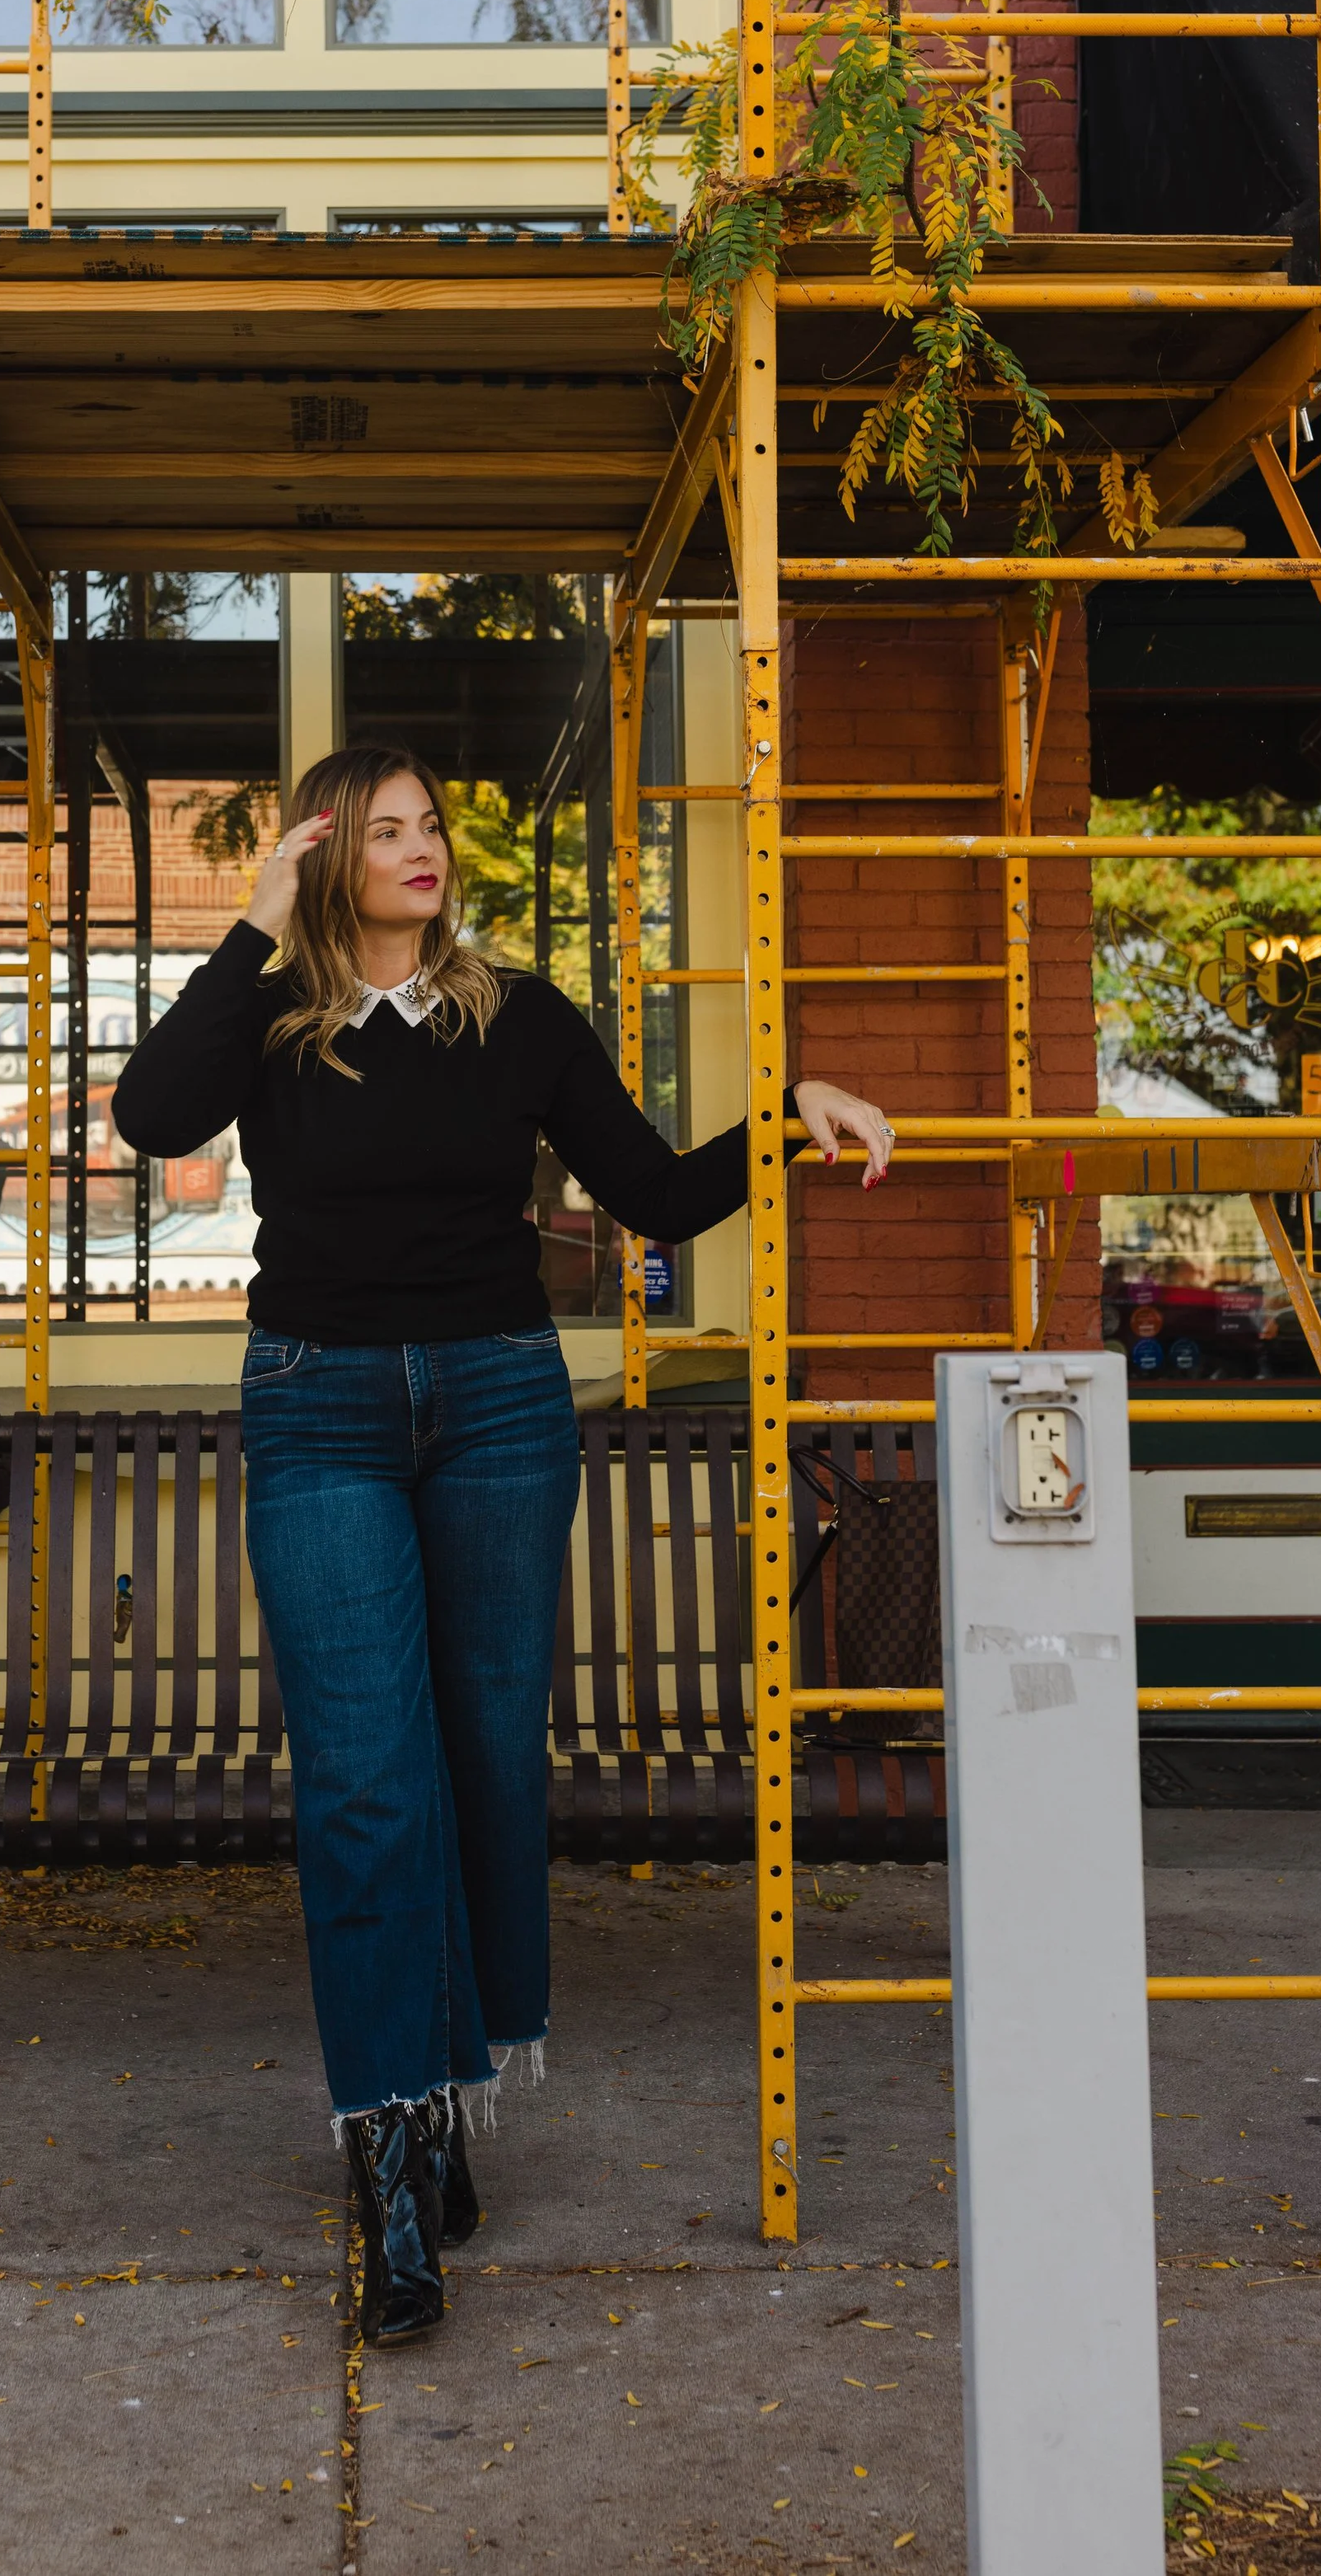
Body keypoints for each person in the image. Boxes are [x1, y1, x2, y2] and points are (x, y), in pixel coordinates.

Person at [109, 746, 893, 2348]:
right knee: (362, 1777)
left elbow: (655, 1196)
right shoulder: (268, 1010)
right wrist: (252, 921)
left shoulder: (518, 1015)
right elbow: (148, 1113)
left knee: (482, 1759)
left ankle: (445, 2082)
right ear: (324, 856)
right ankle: (387, 2142)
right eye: (380, 830)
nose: (420, 850)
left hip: (498, 1409)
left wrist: (783, 1118)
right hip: (316, 1407)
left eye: (430, 825)